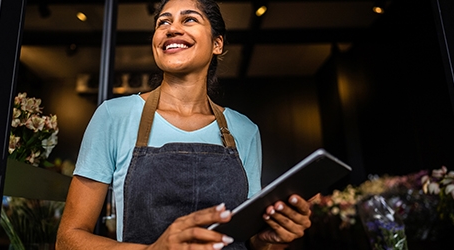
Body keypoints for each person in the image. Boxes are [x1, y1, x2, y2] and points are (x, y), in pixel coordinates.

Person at [56, 0, 312, 249]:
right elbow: (68, 239)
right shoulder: (114, 116)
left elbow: (251, 240)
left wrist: (274, 240)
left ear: (217, 43)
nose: (171, 28)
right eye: (162, 22)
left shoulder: (245, 131)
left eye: (189, 19)